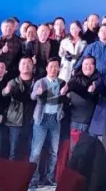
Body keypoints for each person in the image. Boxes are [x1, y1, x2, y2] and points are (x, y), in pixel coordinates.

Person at [29, 57, 67, 189]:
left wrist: (64, 96)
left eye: (56, 66)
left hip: (55, 119)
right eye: (51, 66)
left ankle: (49, 177)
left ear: (59, 68)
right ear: (46, 68)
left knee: (54, 152)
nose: (53, 69)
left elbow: (65, 100)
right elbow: (32, 96)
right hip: (41, 119)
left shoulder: (62, 83)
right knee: (36, 152)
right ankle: (33, 179)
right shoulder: (40, 82)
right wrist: (38, 93)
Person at [3, 57, 36, 160]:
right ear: (19, 67)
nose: (26, 65)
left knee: (30, 151)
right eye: (23, 63)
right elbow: (4, 93)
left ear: (33, 66)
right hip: (15, 121)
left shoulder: (38, 82)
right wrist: (6, 91)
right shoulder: (13, 82)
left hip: (33, 121)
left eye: (29, 63)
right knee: (14, 151)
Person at [67, 56, 100, 133]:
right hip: (74, 120)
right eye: (86, 64)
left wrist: (94, 90)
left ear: (95, 66)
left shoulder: (99, 80)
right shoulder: (75, 79)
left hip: (92, 122)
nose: (88, 66)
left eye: (91, 64)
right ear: (81, 65)